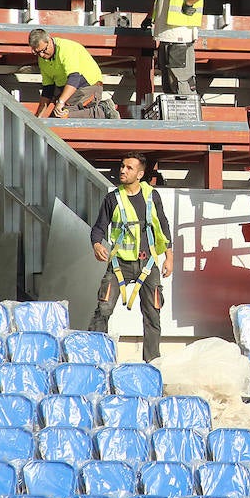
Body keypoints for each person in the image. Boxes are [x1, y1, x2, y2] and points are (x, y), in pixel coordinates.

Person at [88, 151, 174, 362]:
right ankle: (95, 359)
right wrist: (97, 244)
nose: (123, 171)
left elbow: (163, 225)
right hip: (120, 265)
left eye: (129, 168)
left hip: (148, 263)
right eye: (123, 166)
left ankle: (152, 363)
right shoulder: (113, 198)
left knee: (153, 315)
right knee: (103, 309)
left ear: (140, 174)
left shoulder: (152, 196)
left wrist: (169, 257)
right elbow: (99, 227)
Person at [29, 28, 118, 119]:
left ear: (49, 40)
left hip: (87, 85)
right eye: (37, 53)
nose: (42, 55)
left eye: (44, 50)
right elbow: (48, 89)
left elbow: (74, 78)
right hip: (69, 90)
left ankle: (102, 110)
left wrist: (61, 102)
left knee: (62, 116)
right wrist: (38, 116)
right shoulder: (43, 59)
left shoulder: (65, 49)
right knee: (57, 117)